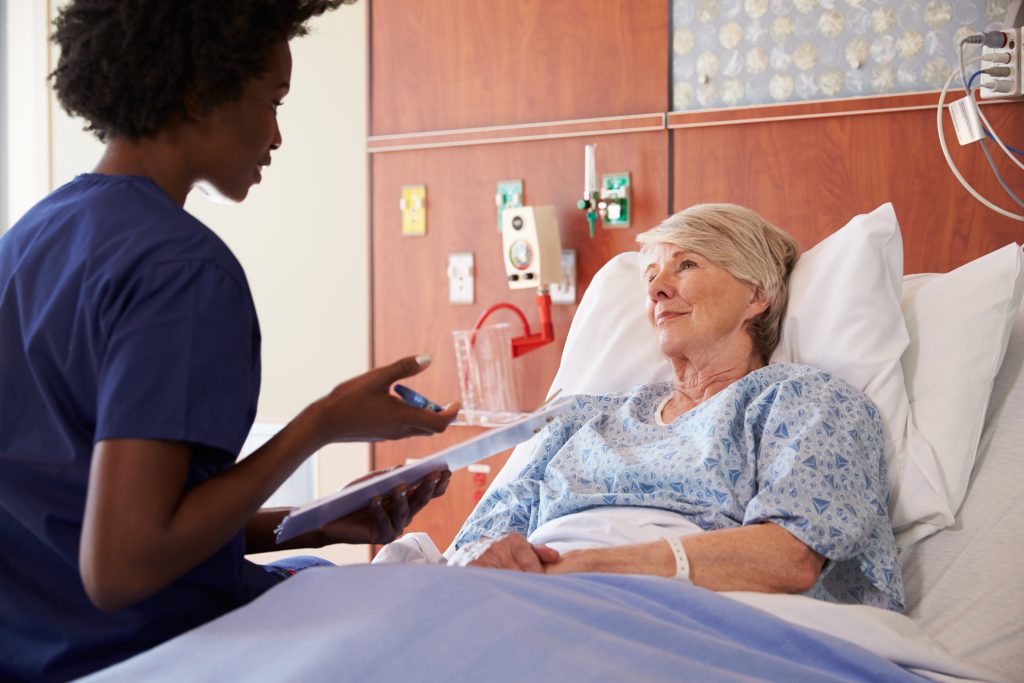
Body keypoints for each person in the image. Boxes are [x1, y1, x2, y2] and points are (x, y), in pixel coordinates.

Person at [0, 2, 458, 681]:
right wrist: (320, 423)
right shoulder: (183, 272)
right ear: (198, 96)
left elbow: (85, 523)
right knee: (449, 611)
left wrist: (315, 522)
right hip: (142, 651)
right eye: (272, 100)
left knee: (322, 570)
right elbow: (123, 565)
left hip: (34, 648)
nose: (276, 135)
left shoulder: (29, 240)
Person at [430, 203, 904, 613]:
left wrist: (573, 573)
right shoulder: (579, 418)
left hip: (677, 613)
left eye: (687, 265)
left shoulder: (804, 401)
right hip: (520, 604)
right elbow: (477, 548)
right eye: (651, 276)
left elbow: (789, 559)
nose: (656, 289)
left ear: (757, 296)